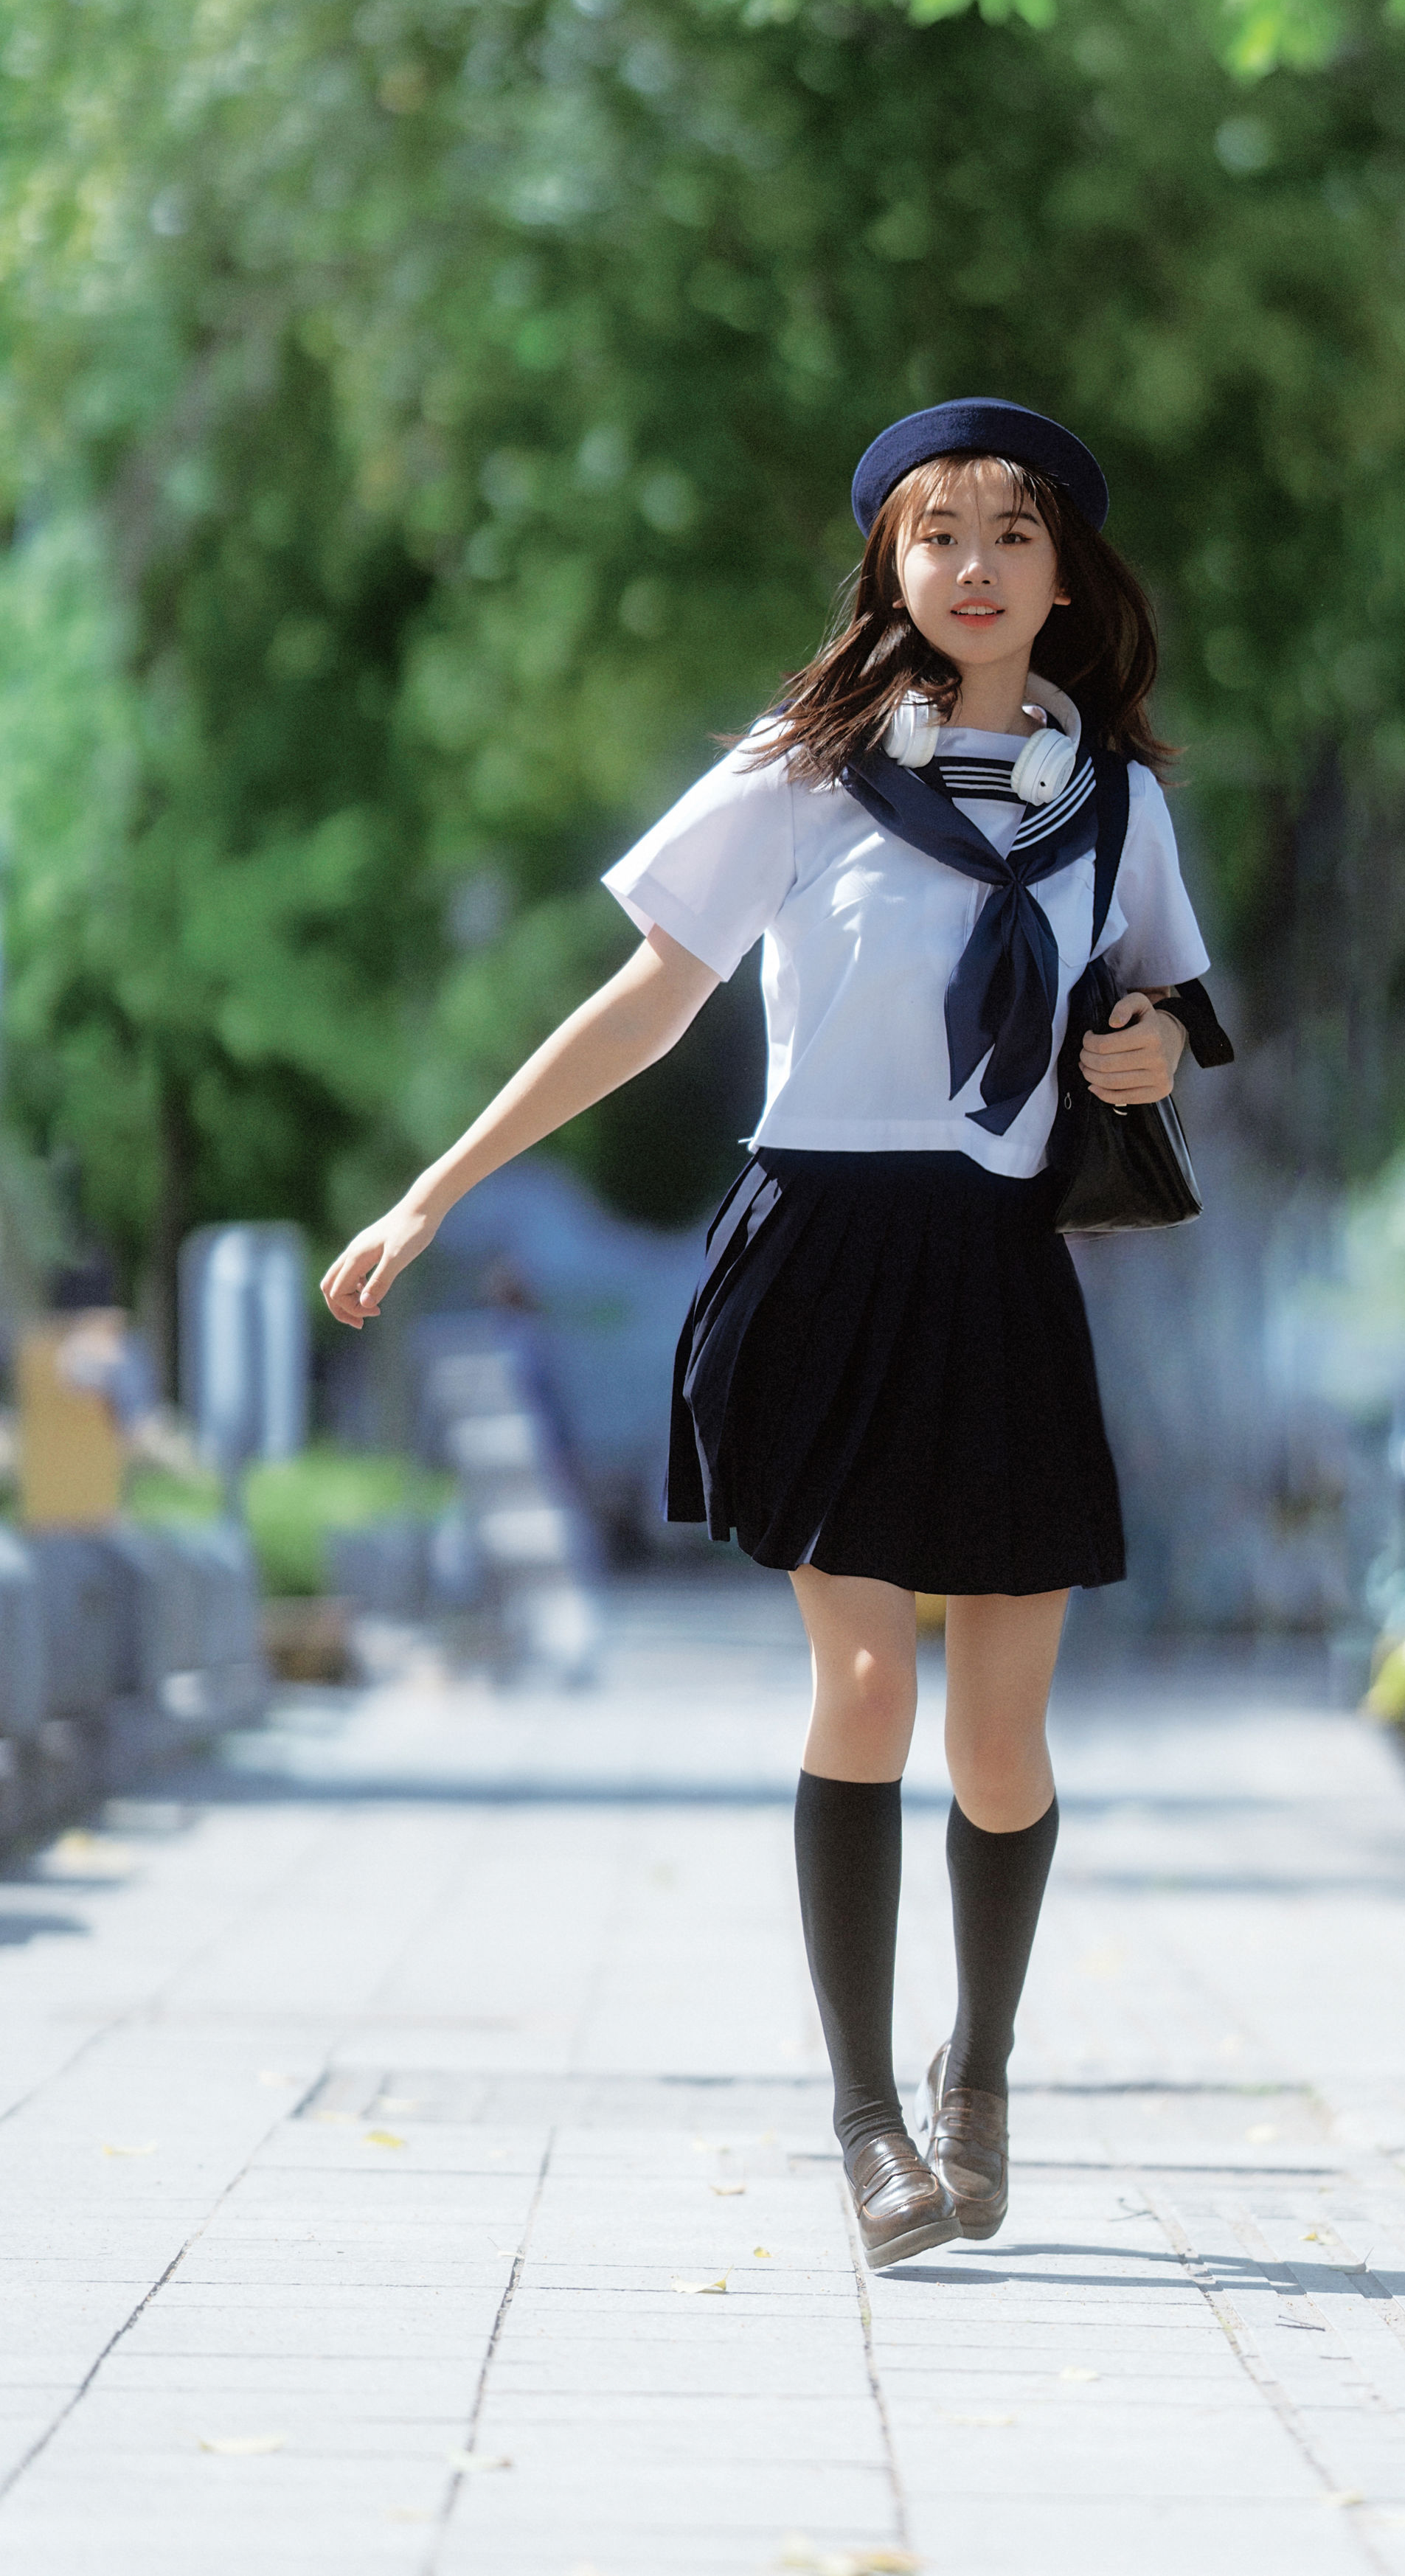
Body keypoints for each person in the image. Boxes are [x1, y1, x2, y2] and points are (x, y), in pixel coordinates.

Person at [320, 397, 1228, 2268]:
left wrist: (1139, 1049)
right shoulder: (806, 770)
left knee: (1000, 1738)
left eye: (1012, 536)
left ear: (1066, 580)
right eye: (938, 536)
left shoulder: (1113, 802)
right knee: (868, 1690)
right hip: (817, 1254)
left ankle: (978, 2068)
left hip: (997, 1276)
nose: (974, 566)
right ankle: (869, 2125)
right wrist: (438, 1187)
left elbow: (1159, 1019)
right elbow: (653, 997)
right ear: (893, 568)